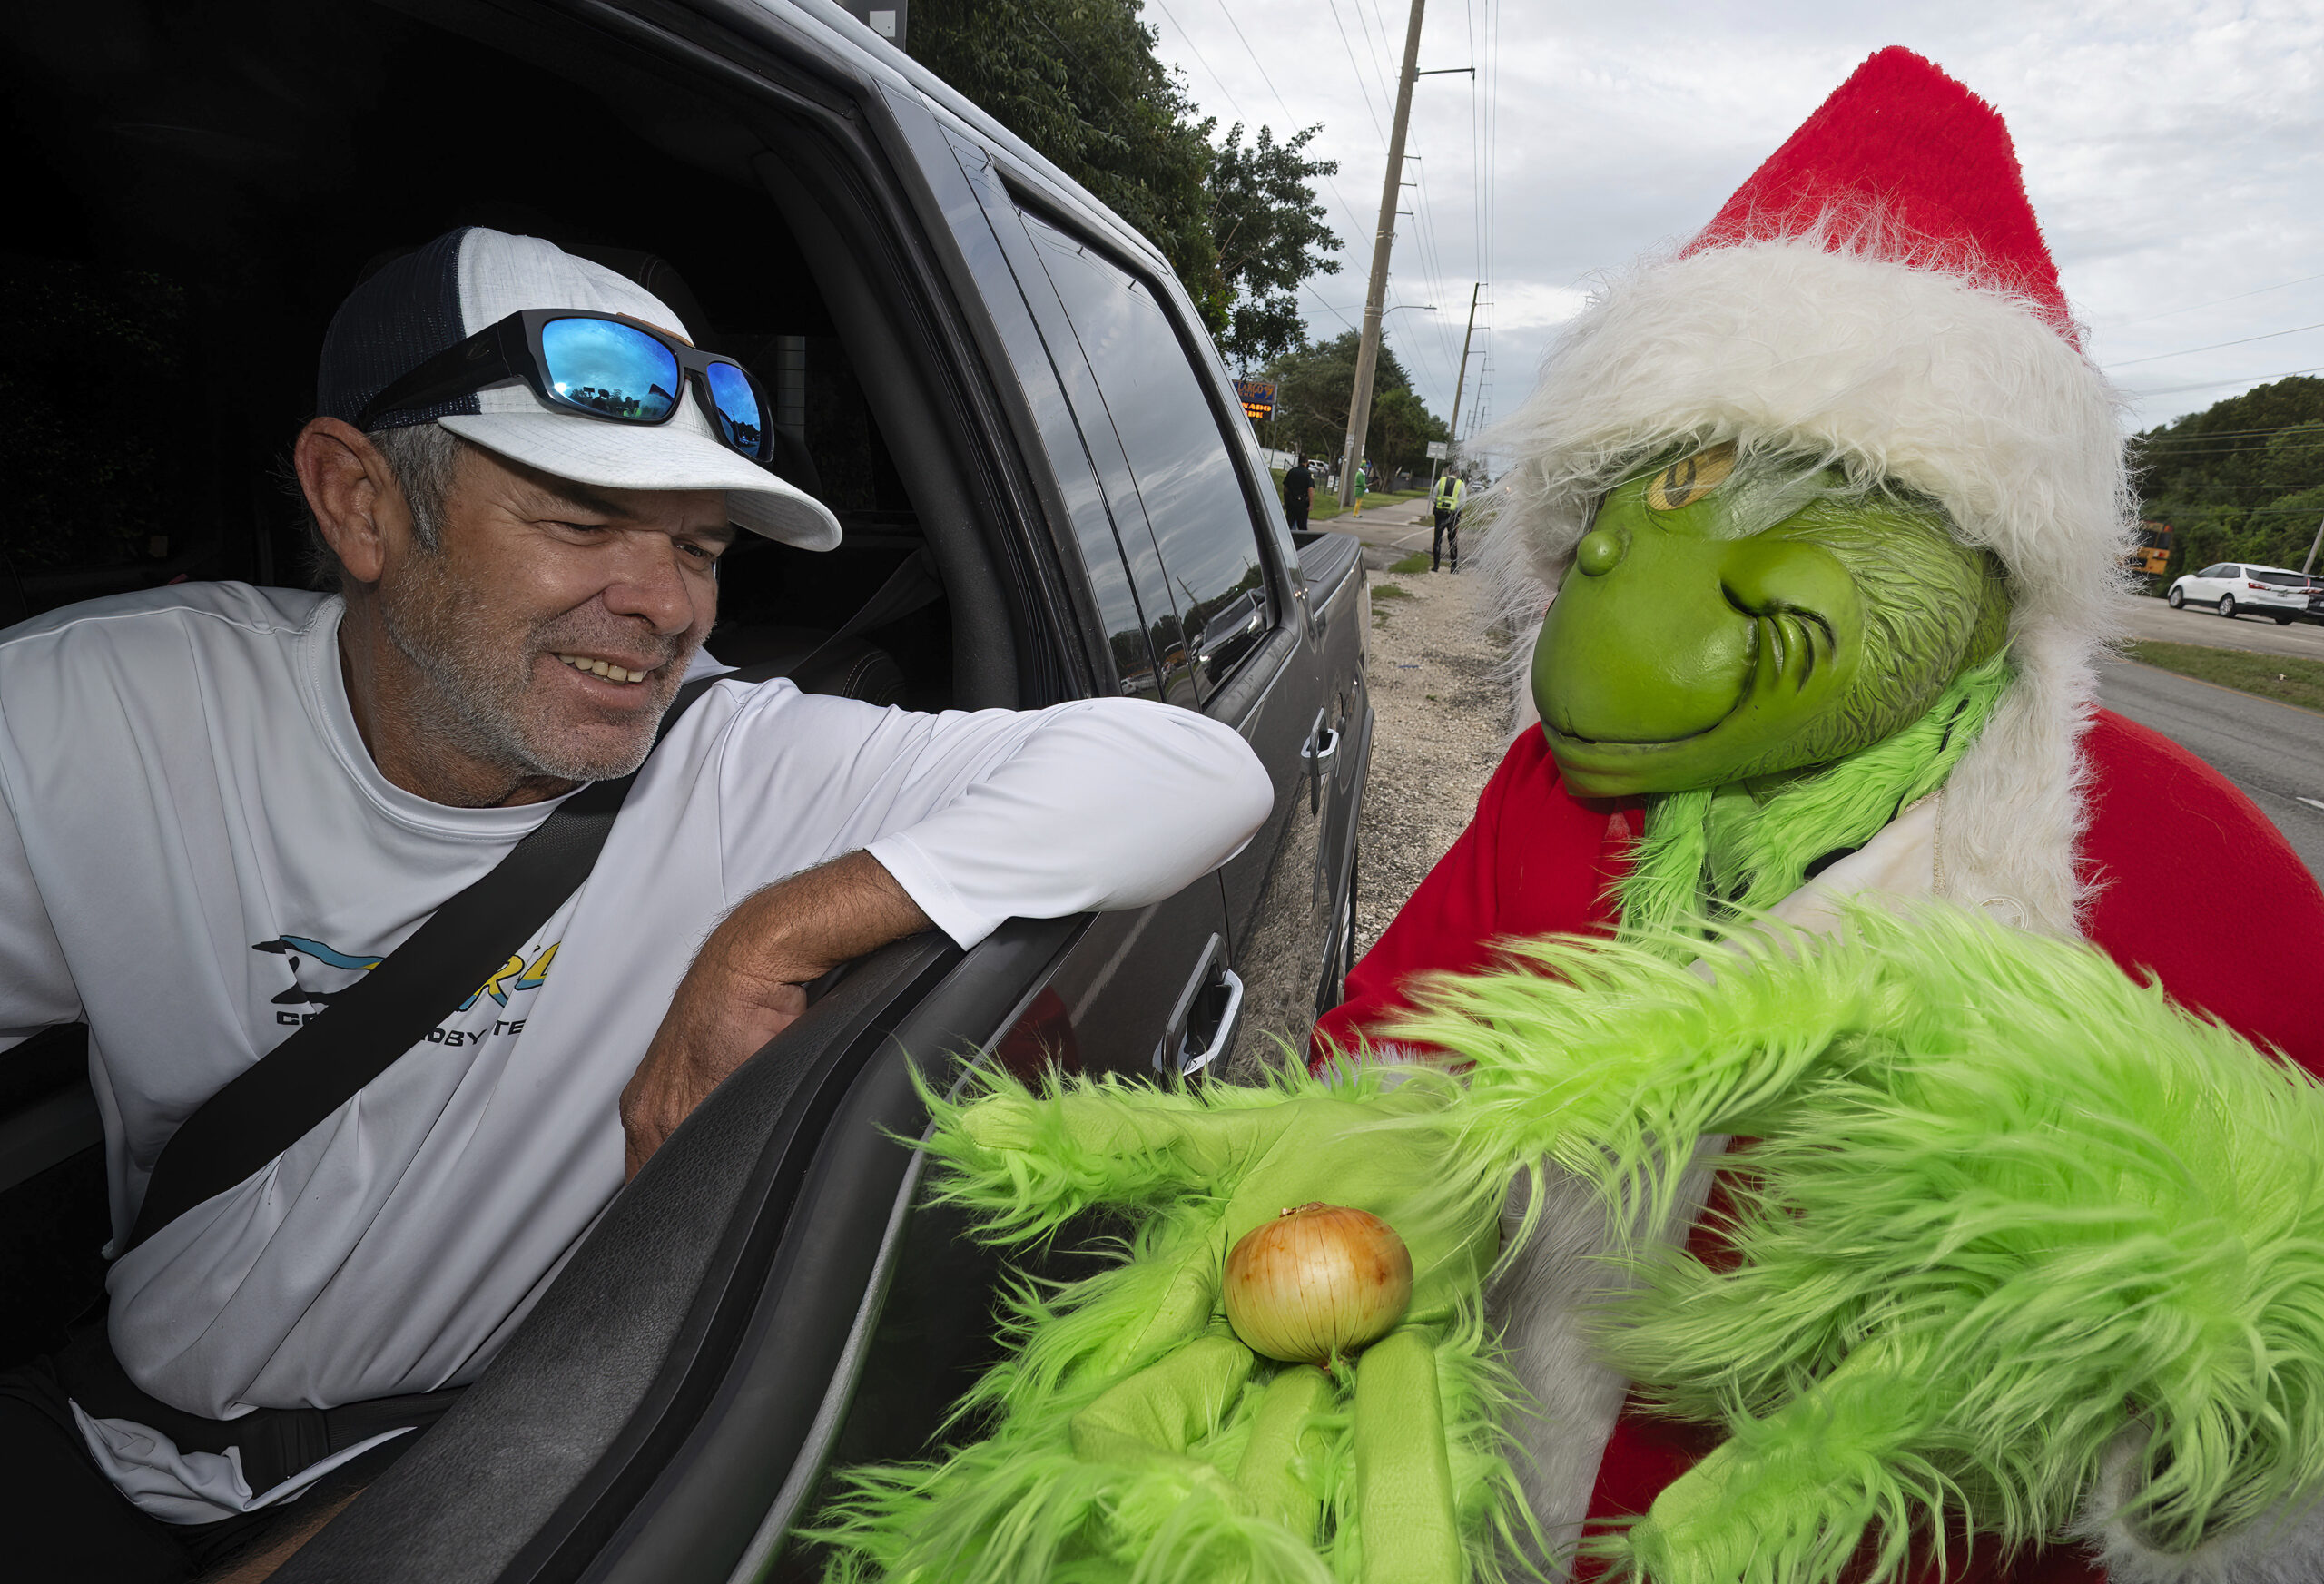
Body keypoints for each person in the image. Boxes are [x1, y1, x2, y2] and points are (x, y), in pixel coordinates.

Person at [0, 226, 1275, 1581]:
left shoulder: (736, 759)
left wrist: (771, 932)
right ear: (360, 501)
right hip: (104, 1430)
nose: (665, 604)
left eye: (702, 544)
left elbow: (1192, 764)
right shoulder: (97, 718)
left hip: (473, 1473)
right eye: (581, 521)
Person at [1312, 48, 2324, 1582]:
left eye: (1798, 485)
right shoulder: (1556, 801)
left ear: (1982, 547)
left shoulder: (2180, 856)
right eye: (1635, 501)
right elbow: (1384, 1061)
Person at [1430, 468, 1464, 571]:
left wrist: (1440, 505)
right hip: (1453, 516)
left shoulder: (1441, 481)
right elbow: (1462, 501)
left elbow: (1434, 497)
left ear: (1449, 472)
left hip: (1440, 514)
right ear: (1457, 473)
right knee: (1452, 541)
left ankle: (1435, 566)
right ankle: (1453, 568)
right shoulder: (1460, 484)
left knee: (1437, 540)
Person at [1280, 456, 1315, 533]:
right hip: (1303, 503)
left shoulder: (1291, 472)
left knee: (1289, 524)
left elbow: (1285, 488)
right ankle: (1301, 542)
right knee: (1302, 526)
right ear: (1306, 462)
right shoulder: (1308, 474)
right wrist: (1311, 504)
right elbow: (1310, 489)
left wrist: (1286, 501)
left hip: (1291, 502)